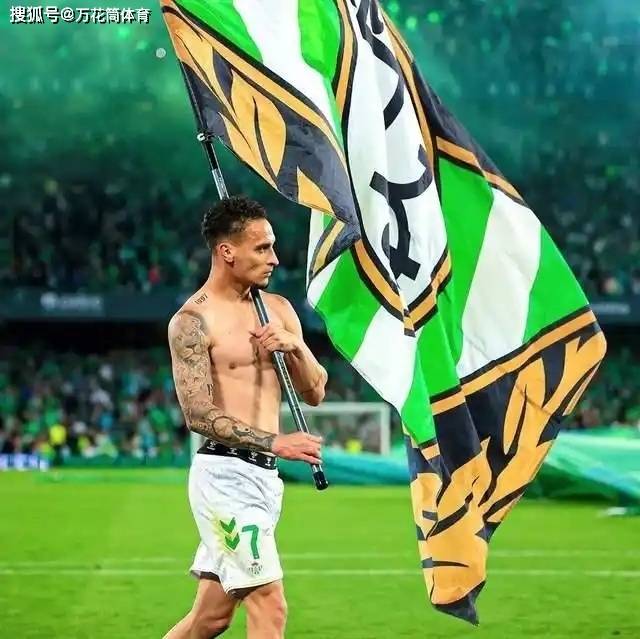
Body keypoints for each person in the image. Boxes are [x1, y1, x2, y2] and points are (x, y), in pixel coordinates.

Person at [164, 195, 327, 639]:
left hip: (265, 480)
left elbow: (315, 392)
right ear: (227, 251)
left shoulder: (278, 309)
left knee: (210, 619)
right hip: (224, 477)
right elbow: (198, 414)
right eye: (262, 248)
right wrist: (277, 442)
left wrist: (297, 347)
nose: (275, 258)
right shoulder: (193, 320)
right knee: (270, 605)